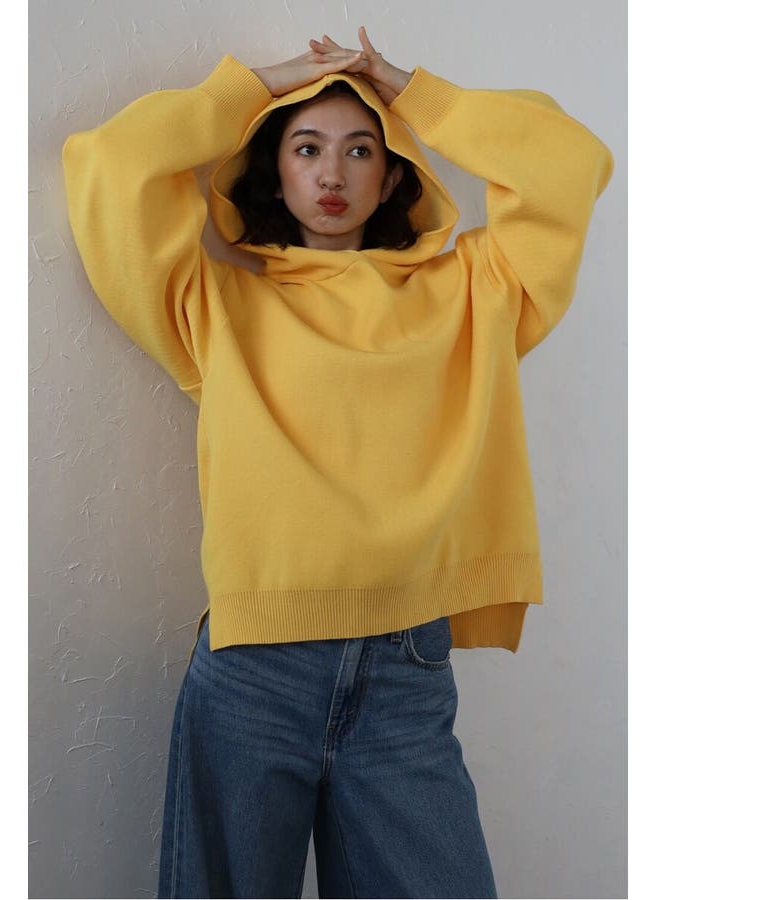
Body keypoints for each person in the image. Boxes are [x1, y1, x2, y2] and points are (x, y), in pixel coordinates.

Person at [63, 26, 614, 899]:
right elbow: (112, 163)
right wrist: (262, 84)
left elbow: (567, 161)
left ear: (392, 176)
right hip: (256, 669)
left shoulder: (472, 294)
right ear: (274, 171)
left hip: (405, 673)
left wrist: (406, 88)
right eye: (306, 147)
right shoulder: (217, 304)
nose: (332, 173)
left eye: (360, 150)